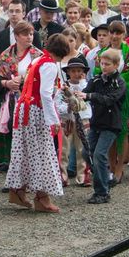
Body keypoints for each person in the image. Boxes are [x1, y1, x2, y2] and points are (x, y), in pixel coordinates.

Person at [7, 33, 69, 212]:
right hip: (35, 112)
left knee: (25, 151)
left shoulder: (38, 60)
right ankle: (42, 197)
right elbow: (45, 93)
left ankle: (18, 190)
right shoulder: (50, 65)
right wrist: (53, 120)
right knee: (42, 153)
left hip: (24, 109)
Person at [0, 21, 43, 174]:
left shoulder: (37, 55)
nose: (29, 37)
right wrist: (7, 83)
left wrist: (24, 83)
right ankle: (13, 171)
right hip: (11, 102)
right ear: (17, 36)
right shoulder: (6, 55)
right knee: (12, 137)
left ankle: (29, 171)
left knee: (28, 137)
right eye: (26, 34)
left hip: (31, 102)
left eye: (31, 34)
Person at [75, 49, 127, 204]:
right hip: (96, 122)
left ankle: (102, 192)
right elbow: (84, 93)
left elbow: (110, 99)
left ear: (116, 65)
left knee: (99, 155)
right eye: (102, 63)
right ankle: (105, 178)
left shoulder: (119, 82)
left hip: (111, 124)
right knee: (87, 153)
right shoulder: (97, 79)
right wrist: (73, 95)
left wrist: (89, 96)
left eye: (107, 64)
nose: (103, 67)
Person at [105, 21, 129, 185]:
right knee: (109, 131)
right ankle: (110, 167)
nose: (115, 36)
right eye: (113, 32)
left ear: (124, 34)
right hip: (107, 98)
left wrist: (116, 83)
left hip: (123, 97)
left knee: (122, 132)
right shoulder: (103, 51)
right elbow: (98, 72)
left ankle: (119, 168)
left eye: (119, 33)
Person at [56, 57, 92, 187]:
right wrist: (67, 108)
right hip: (67, 120)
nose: (76, 73)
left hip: (82, 119)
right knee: (64, 149)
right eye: (73, 71)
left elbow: (88, 102)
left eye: (79, 71)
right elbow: (58, 105)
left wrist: (82, 84)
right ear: (68, 72)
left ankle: (82, 175)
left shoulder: (86, 86)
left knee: (82, 148)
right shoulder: (63, 88)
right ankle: (62, 175)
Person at [0, 0, 43, 66]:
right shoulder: (1, 35)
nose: (14, 14)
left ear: (23, 14)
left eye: (17, 11)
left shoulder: (33, 34)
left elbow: (39, 59)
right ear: (8, 13)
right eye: (11, 11)